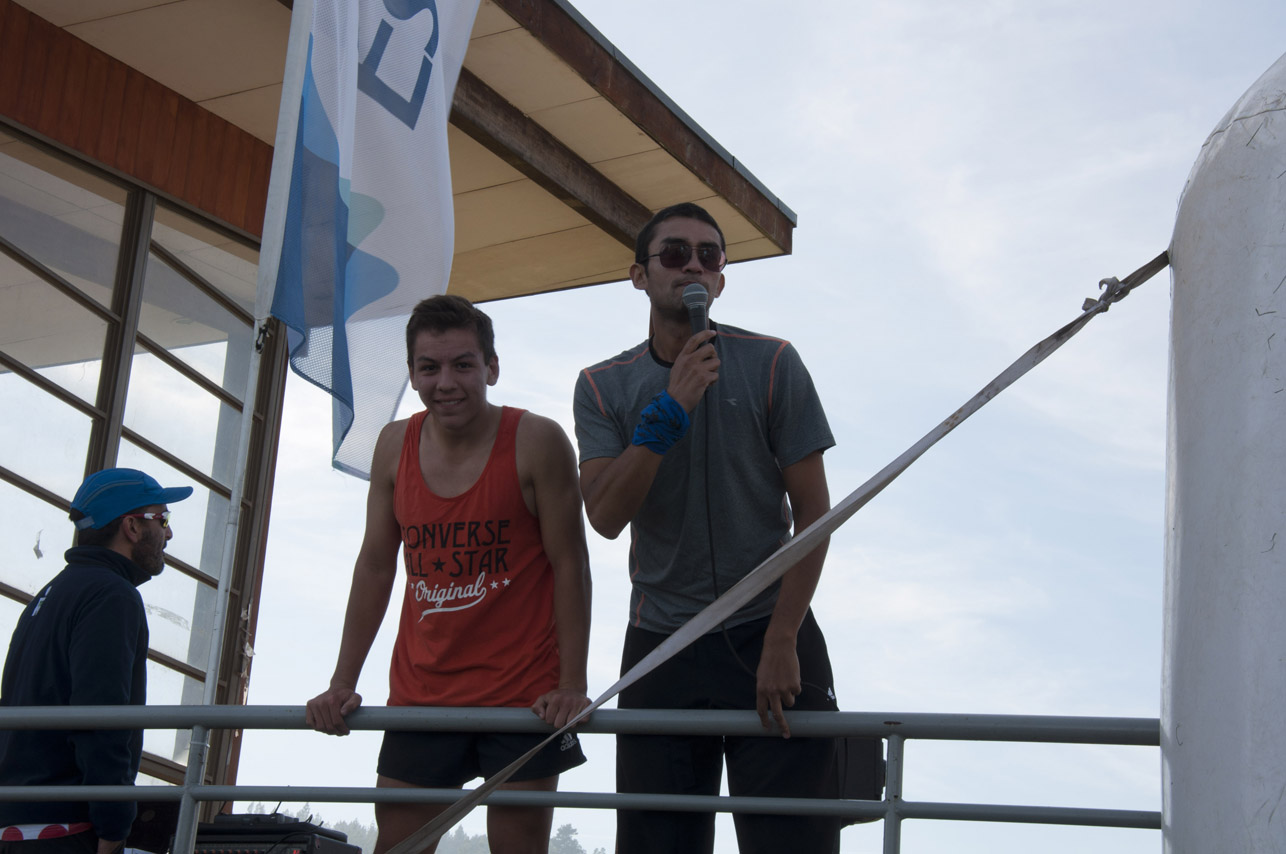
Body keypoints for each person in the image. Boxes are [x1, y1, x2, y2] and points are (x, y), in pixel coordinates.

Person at [573, 202, 841, 853]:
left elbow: (815, 514)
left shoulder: (773, 362)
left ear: (721, 279)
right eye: (673, 254)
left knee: (793, 841)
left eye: (709, 255)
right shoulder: (603, 386)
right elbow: (606, 517)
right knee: (656, 841)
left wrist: (783, 636)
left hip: (769, 635)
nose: (692, 266)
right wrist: (673, 405)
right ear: (639, 274)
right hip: (662, 641)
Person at [306, 295, 592, 854]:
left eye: (463, 364)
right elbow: (374, 565)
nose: (446, 382)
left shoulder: (537, 440)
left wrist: (572, 686)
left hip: (522, 695)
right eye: (429, 367)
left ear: (492, 367)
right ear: (411, 374)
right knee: (400, 847)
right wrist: (343, 680)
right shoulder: (393, 446)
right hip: (423, 695)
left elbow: (571, 565)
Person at [0, 468, 193, 854]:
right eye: (163, 519)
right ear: (132, 527)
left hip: (17, 825)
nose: (169, 533)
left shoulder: (50, 593)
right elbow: (102, 717)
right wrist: (113, 827)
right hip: (66, 831)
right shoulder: (111, 595)